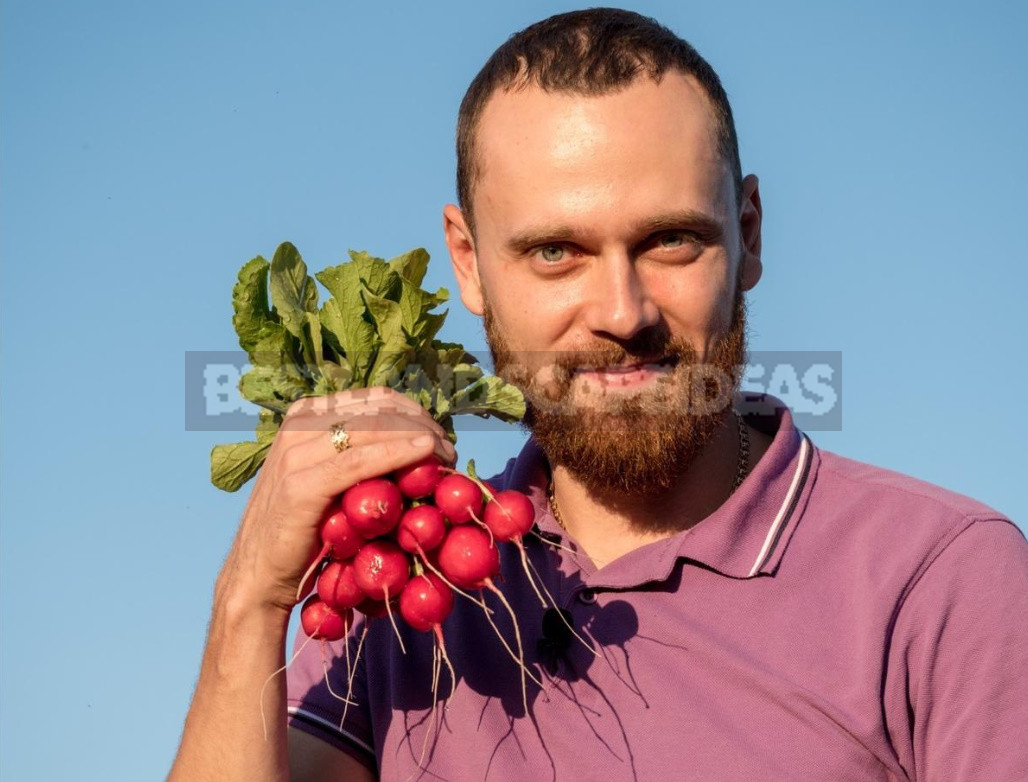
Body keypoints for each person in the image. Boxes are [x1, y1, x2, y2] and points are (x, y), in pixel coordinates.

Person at [169, 8, 1028, 781]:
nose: (623, 312)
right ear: (468, 263)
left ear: (750, 234)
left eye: (671, 241)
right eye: (555, 252)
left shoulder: (942, 579)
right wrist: (249, 600)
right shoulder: (399, 587)